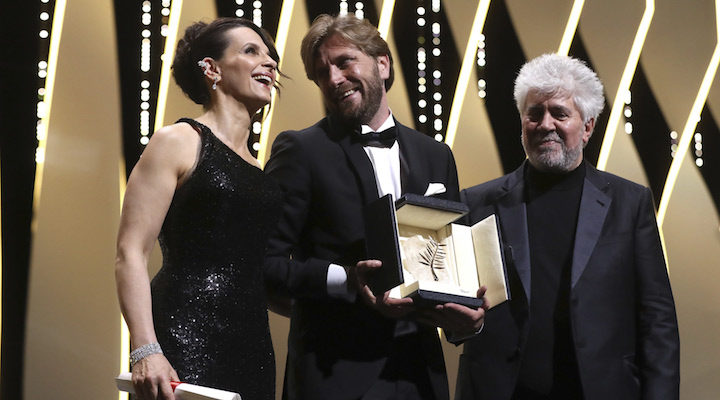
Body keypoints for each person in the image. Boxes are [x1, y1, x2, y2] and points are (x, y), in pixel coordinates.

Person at [264, 14, 485, 400]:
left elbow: (450, 264)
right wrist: (346, 279)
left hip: (420, 375)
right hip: (334, 376)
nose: (333, 79)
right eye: (321, 72)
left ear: (382, 63)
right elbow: (265, 263)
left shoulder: (436, 155)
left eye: (344, 61)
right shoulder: (301, 150)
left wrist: (465, 320)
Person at [455, 53, 680, 400]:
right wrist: (462, 323)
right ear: (522, 123)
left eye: (559, 113)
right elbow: (458, 317)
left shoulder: (630, 204)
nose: (545, 124)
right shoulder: (478, 203)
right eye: (534, 113)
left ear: (587, 126)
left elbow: (657, 321)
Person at [115, 17, 282, 400]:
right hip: (183, 334)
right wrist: (145, 349)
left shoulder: (260, 169)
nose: (269, 62)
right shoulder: (179, 140)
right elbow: (130, 252)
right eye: (250, 51)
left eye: (270, 54)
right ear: (212, 69)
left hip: (252, 344)